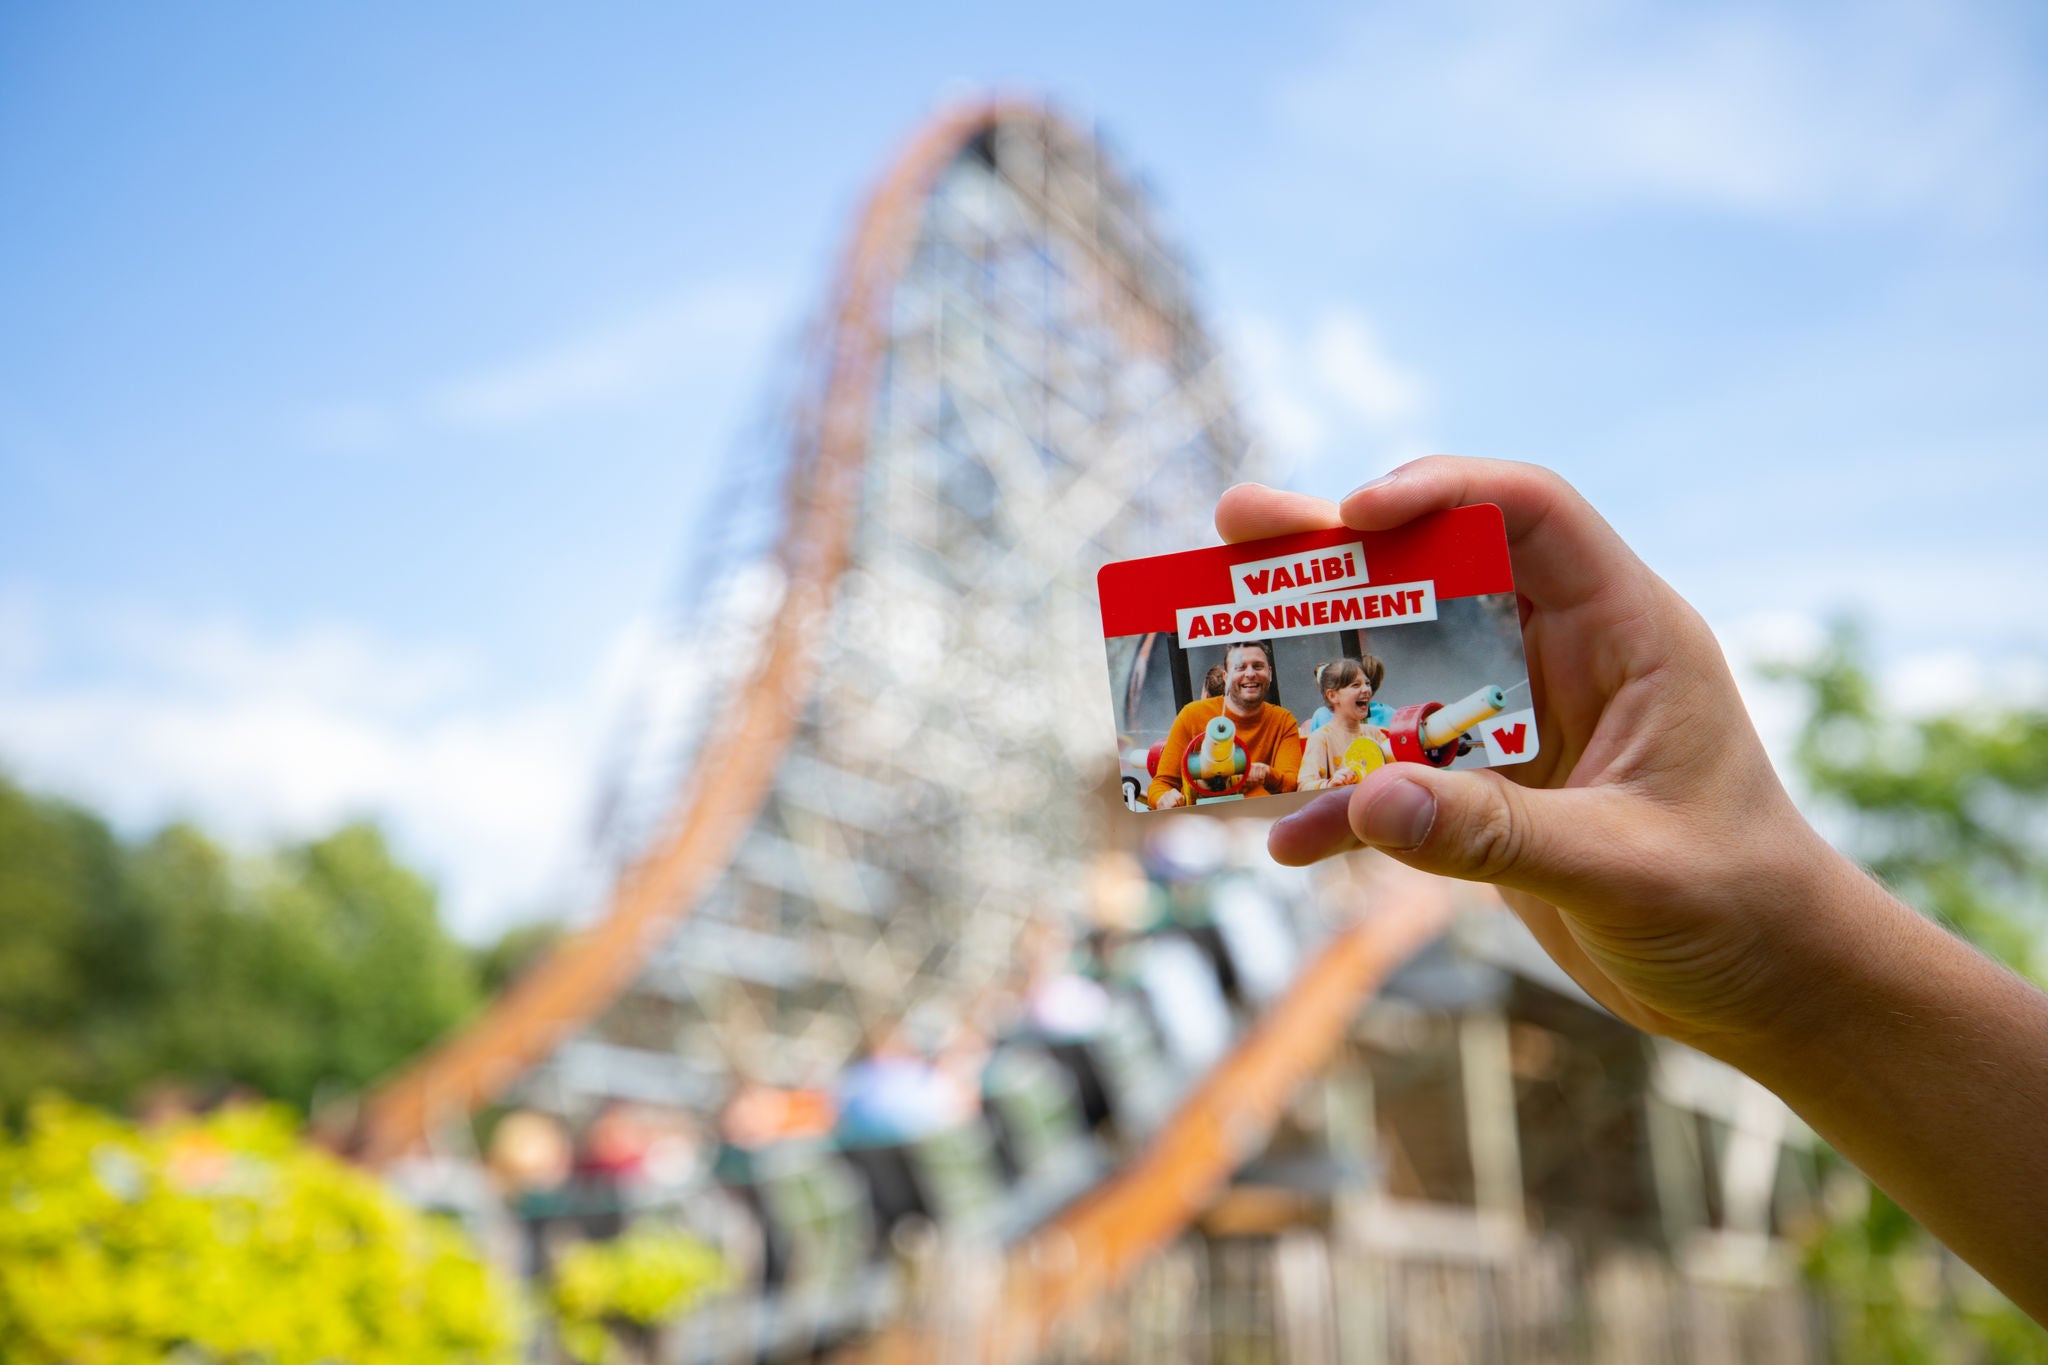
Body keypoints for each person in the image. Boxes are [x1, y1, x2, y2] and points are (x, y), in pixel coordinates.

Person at [1220, 457, 2048, 1321]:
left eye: (1360, 683)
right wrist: (1796, 993)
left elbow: (1434, 729)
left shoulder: (1389, 727)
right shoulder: (1307, 737)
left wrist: (1797, 984)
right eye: (1342, 686)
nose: (1352, 693)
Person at [1148, 640, 1304, 808]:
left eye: (1258, 666)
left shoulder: (1283, 720)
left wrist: (1267, 774)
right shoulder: (1191, 715)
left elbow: (1291, 784)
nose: (1250, 674)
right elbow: (1161, 784)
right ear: (1226, 677)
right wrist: (1163, 798)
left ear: (1270, 673)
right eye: (1240, 667)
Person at [1297, 656, 1390, 790]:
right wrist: (1330, 784)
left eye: (1367, 684)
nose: (1366, 690)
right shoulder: (1321, 738)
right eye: (1356, 685)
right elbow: (1304, 786)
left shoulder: (1375, 733)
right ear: (1333, 696)